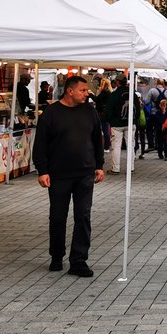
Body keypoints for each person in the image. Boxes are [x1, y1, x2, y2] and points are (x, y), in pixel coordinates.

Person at [33, 74, 105, 277]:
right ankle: (56, 256)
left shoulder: (90, 112)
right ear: (70, 91)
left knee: (83, 216)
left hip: (85, 173)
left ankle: (79, 260)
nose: (86, 94)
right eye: (83, 90)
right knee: (58, 217)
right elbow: (40, 144)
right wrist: (43, 170)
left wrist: (99, 165)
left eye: (87, 90)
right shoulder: (51, 113)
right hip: (58, 175)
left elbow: (97, 140)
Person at [104, 75, 133, 174]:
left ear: (117, 82)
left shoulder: (114, 94)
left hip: (117, 124)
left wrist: (110, 120)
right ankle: (131, 168)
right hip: (130, 123)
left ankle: (115, 168)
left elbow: (108, 110)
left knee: (116, 146)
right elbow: (138, 107)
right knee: (130, 145)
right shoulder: (132, 93)